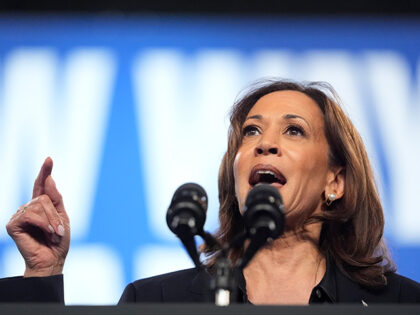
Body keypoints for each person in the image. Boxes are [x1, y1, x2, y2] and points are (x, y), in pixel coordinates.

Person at [1, 79, 420, 304]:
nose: (263, 143)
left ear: (336, 182)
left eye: (294, 130)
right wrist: (42, 276)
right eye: (251, 131)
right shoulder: (155, 301)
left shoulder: (398, 303)